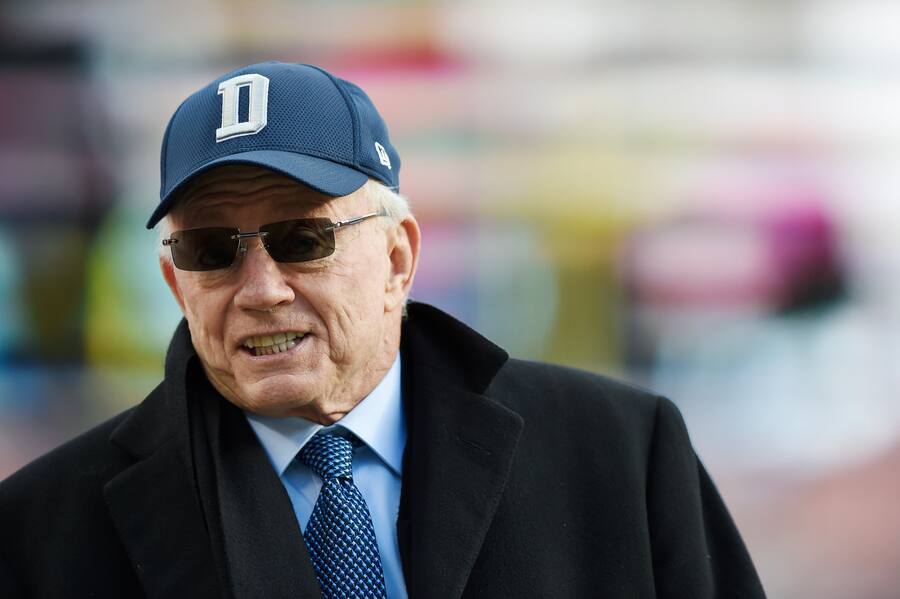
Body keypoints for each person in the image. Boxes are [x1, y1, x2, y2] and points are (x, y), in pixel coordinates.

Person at [0, 61, 766, 599]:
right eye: (212, 250)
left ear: (397, 256)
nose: (261, 290)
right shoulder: (42, 530)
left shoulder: (624, 456)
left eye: (303, 239)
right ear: (176, 282)